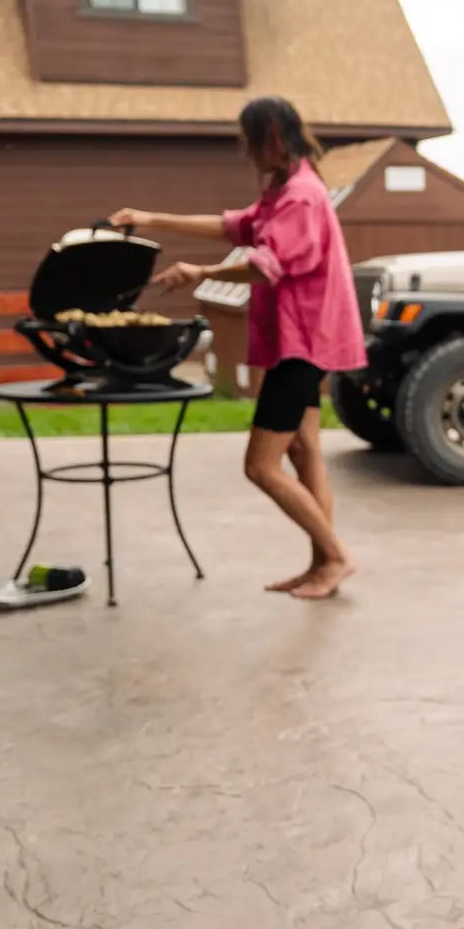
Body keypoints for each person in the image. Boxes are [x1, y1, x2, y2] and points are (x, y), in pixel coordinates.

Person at [110, 96, 365, 600]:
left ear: (269, 138)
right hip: (304, 340)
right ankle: (322, 565)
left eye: (247, 140)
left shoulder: (300, 198)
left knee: (261, 465)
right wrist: (150, 217)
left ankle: (334, 556)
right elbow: (231, 225)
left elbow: (264, 265)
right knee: (304, 449)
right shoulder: (284, 191)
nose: (243, 151)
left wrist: (199, 272)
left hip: (303, 342)